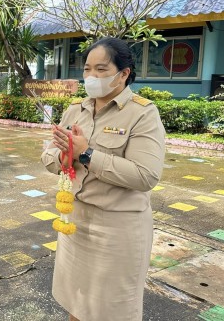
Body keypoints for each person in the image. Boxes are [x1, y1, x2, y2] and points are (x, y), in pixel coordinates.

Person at [41, 37, 165, 321]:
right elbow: (48, 159)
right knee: (77, 302)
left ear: (123, 73)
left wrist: (86, 154)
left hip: (117, 229)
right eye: (87, 69)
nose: (91, 77)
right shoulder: (76, 109)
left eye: (101, 69)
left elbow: (145, 176)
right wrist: (66, 155)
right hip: (76, 222)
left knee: (111, 311)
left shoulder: (142, 113)